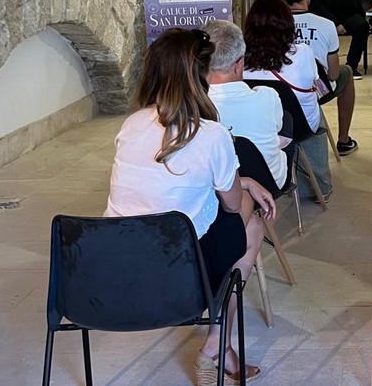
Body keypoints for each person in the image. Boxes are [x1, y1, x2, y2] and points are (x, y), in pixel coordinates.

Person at [104, 28, 276, 385]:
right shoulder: (211, 134)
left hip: (115, 271)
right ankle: (218, 342)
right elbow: (232, 205)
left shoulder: (130, 125)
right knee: (252, 222)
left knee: (231, 211)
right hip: (178, 275)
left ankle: (219, 344)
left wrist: (239, 180)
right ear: (201, 78)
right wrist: (241, 183)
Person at [243, 0, 333, 200]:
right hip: (299, 125)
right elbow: (317, 85)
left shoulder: (239, 58)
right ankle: (320, 185)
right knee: (316, 112)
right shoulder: (302, 53)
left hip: (257, 125)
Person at [277, 0, 359, 156]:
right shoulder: (326, 25)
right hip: (314, 90)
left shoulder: (271, 25)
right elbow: (333, 75)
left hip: (278, 89)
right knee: (346, 73)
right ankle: (344, 140)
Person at [204, 19, 292, 188]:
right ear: (239, 64)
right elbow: (278, 126)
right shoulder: (268, 96)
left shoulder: (189, 104)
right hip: (270, 182)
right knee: (286, 120)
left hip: (217, 186)